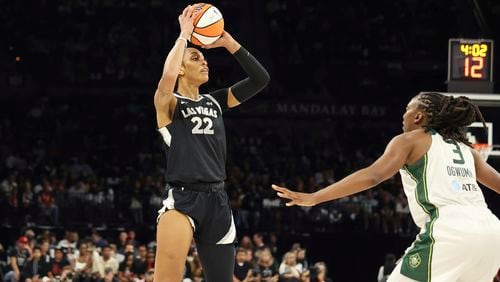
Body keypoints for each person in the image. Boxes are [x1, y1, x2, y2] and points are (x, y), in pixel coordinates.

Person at [273, 93, 500, 281]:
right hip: (492, 232)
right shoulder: (467, 150)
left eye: (407, 109)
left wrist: (315, 197)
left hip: (451, 229)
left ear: (419, 116)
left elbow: (373, 176)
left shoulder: (410, 140)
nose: (404, 115)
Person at [153, 4, 270, 282]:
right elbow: (167, 79)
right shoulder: (169, 103)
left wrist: (229, 43)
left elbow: (260, 79)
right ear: (181, 68)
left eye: (204, 57)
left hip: (218, 200)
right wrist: (184, 35)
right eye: (195, 58)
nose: (204, 61)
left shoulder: (214, 101)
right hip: (183, 200)